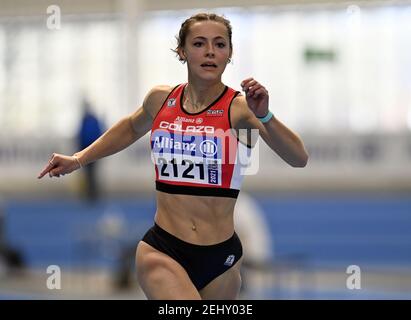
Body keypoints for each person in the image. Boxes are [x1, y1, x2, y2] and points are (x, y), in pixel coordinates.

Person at [38, 13, 308, 300]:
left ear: (229, 54)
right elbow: (130, 127)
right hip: (164, 250)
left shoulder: (240, 109)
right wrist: (78, 159)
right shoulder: (161, 99)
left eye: (219, 44)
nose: (209, 52)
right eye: (199, 43)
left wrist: (264, 114)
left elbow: (298, 157)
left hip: (222, 257)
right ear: (182, 51)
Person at [77, 98, 104, 201]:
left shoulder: (92, 119)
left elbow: (99, 135)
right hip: (86, 149)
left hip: (93, 150)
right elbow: (81, 135)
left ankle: (93, 193)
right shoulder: (85, 120)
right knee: (88, 173)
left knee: (93, 173)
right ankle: (89, 193)